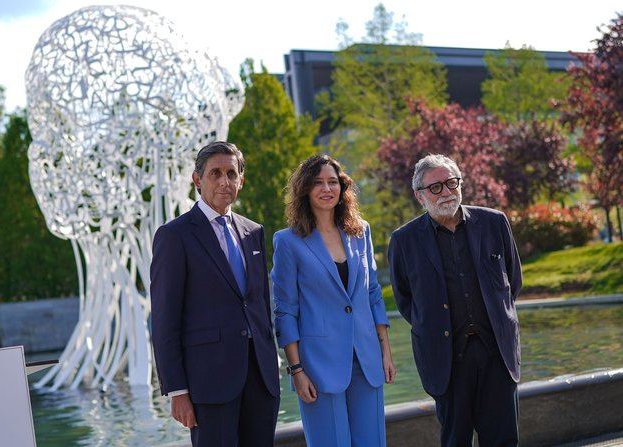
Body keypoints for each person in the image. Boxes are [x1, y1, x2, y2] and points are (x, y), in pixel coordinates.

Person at [150, 141, 280, 447]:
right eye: (215, 173)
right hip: (209, 383)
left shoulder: (254, 232)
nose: (225, 181)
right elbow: (165, 319)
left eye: (231, 173)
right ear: (198, 180)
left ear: (241, 180)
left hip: (260, 379)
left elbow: (259, 304)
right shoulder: (175, 236)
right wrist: (177, 390)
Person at [388, 154, 522, 446]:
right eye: (436, 187)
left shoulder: (494, 223)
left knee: (503, 440)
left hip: (497, 353)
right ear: (419, 196)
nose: (446, 191)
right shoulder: (404, 241)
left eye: (451, 183)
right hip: (446, 360)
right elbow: (406, 300)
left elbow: (512, 282)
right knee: (455, 440)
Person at [272, 154, 396, 447]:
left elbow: (373, 293)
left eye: (333, 182)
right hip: (317, 365)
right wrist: (296, 370)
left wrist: (385, 352)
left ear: (342, 188)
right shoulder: (287, 241)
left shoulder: (360, 232)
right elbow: (285, 311)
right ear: (305, 190)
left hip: (366, 359)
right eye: (318, 183)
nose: (327, 189)